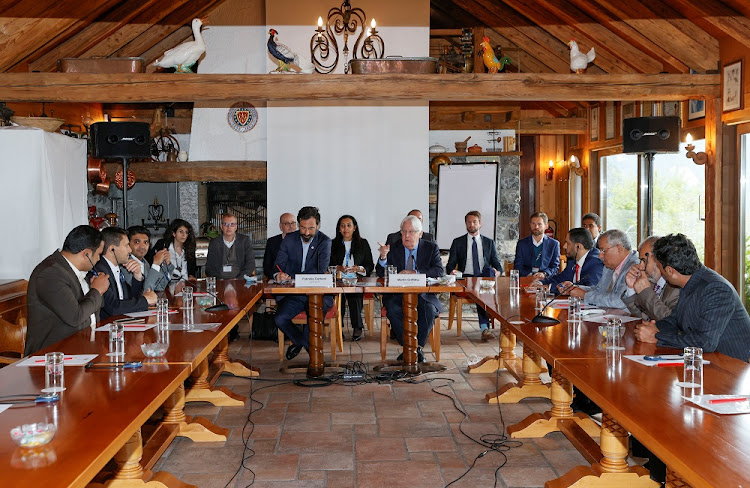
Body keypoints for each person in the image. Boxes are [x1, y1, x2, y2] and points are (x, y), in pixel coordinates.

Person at [634, 234, 750, 361]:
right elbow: (674, 320)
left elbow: (705, 342)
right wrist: (652, 328)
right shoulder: (691, 280)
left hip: (730, 366)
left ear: (670, 271)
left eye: (660, 268)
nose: (661, 274)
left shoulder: (716, 289)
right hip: (705, 360)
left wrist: (657, 336)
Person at [25, 225, 110, 355]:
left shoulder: (74, 270)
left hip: (83, 346)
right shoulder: (51, 273)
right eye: (98, 254)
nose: (99, 259)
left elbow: (90, 313)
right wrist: (96, 291)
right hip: (52, 356)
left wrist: (95, 291)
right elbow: (75, 317)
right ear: (86, 254)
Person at [376, 215, 444, 363]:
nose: (406, 236)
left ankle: (416, 347)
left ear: (420, 233)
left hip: (423, 294)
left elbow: (439, 271)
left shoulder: (431, 248)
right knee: (393, 310)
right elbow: (381, 273)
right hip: (397, 295)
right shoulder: (393, 248)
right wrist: (383, 258)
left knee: (429, 310)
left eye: (411, 232)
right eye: (403, 231)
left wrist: (416, 273)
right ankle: (409, 346)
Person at [274, 206, 333, 360]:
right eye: (303, 228)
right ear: (299, 224)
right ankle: (301, 342)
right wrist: (278, 274)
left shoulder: (324, 241)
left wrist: (296, 278)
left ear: (318, 226)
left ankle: (313, 356)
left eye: (311, 228)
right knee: (279, 318)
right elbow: (279, 263)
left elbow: (320, 270)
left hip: (317, 294)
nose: (307, 233)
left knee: (313, 315)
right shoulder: (289, 239)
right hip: (294, 294)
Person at [446, 210, 503, 342]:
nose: (472, 224)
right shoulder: (458, 242)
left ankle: (484, 328)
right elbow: (450, 265)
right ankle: (485, 327)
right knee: (480, 292)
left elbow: (497, 265)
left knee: (487, 274)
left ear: (480, 224)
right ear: (466, 224)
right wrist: (452, 272)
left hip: (484, 278)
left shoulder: (489, 243)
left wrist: (497, 272)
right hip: (466, 278)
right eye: (469, 222)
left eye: (474, 222)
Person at [89, 227, 157, 320]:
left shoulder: (116, 267)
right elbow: (113, 307)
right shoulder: (99, 271)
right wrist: (145, 300)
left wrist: (137, 276)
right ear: (112, 249)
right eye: (126, 246)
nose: (130, 250)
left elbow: (129, 300)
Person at [568, 229, 640, 311]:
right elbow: (599, 289)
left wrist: (584, 295)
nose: (600, 256)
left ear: (619, 248)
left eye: (603, 251)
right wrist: (575, 288)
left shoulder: (634, 267)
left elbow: (619, 300)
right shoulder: (610, 265)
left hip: (627, 319)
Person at [330, 214, 374, 341]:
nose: (346, 229)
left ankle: (357, 327)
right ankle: (339, 327)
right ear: (339, 228)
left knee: (355, 295)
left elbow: (370, 264)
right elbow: (326, 264)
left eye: (349, 225)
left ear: (354, 228)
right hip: (338, 280)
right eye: (342, 226)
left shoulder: (363, 243)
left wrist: (360, 269)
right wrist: (338, 268)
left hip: (356, 279)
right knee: (340, 296)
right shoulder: (332, 244)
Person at [624, 236, 680, 321]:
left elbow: (670, 322)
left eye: (644, 261)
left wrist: (646, 292)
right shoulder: (652, 283)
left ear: (659, 259)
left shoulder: (676, 287)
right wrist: (631, 288)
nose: (641, 266)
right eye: (640, 261)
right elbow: (643, 317)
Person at [533, 227, 603, 294]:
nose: (564, 246)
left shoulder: (595, 262)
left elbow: (588, 289)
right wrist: (540, 283)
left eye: (567, 243)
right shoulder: (573, 260)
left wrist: (549, 288)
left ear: (578, 246)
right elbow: (561, 278)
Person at [205, 213, 256, 279]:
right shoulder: (214, 243)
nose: (229, 227)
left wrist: (238, 279)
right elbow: (209, 267)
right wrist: (220, 280)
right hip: (220, 281)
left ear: (236, 227)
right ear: (221, 226)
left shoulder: (245, 241)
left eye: (232, 224)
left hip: (240, 280)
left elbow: (250, 264)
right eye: (226, 224)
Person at [123, 226, 173, 292]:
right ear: (128, 244)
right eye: (137, 242)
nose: (142, 247)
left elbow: (160, 287)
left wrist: (167, 263)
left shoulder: (145, 262)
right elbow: (144, 292)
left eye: (146, 242)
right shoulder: (126, 263)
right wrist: (155, 264)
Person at [513, 212, 560, 279]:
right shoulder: (522, 243)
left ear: (546, 226)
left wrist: (544, 274)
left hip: (545, 279)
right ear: (530, 225)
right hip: (526, 278)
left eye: (539, 224)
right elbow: (518, 265)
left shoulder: (554, 244)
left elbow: (555, 267)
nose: (536, 227)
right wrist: (529, 275)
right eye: (533, 224)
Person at [263, 213, 297, 280]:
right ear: (281, 226)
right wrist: (276, 275)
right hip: (279, 281)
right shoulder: (272, 242)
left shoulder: (303, 241)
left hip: (297, 281)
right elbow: (267, 267)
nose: (291, 226)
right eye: (287, 224)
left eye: (293, 223)